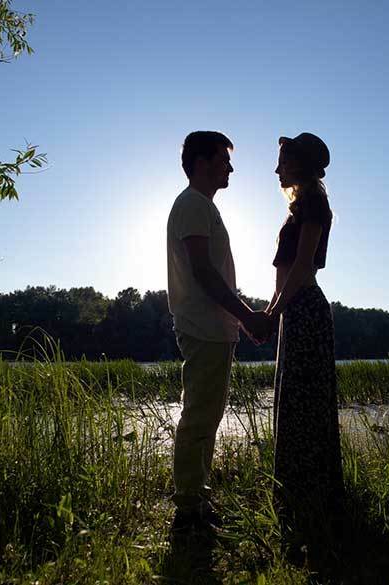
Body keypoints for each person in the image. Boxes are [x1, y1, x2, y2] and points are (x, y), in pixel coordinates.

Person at [166, 130, 271, 538]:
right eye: (224, 159)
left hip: (214, 328)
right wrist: (246, 315)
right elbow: (203, 272)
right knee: (199, 417)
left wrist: (237, 320)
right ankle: (188, 511)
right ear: (203, 162)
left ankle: (197, 498)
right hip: (203, 326)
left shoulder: (202, 206)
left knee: (207, 415)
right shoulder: (192, 203)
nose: (230, 167)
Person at [265, 132, 344, 561]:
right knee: (294, 403)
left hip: (305, 311)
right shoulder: (301, 206)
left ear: (303, 166)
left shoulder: (313, 203)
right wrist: (273, 310)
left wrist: (272, 312)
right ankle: (298, 497)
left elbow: (300, 267)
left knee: (304, 405)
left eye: (284, 162)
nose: (277, 170)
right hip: (295, 313)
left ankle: (310, 499)